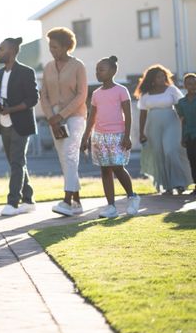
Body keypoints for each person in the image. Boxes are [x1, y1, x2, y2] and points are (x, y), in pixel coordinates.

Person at [80, 56, 140, 218]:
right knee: (105, 170)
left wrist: (127, 136)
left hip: (117, 135)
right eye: (97, 70)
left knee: (118, 168)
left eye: (102, 69)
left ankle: (132, 197)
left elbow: (128, 116)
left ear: (113, 71)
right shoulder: (96, 94)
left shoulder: (121, 90)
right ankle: (111, 207)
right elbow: (91, 117)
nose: (98, 73)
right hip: (99, 137)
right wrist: (86, 137)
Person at [39, 27, 88, 217]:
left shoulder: (78, 66)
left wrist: (62, 115)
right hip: (54, 119)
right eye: (50, 47)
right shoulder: (48, 67)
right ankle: (77, 202)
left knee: (70, 155)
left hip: (75, 117)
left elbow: (82, 95)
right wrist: (51, 116)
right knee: (65, 159)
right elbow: (43, 95)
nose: (52, 50)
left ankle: (67, 201)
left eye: (56, 47)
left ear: (67, 46)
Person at [0, 37, 39, 217]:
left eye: (1, 49)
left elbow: (33, 99)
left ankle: (12, 202)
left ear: (11, 51)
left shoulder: (26, 72)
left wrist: (11, 109)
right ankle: (28, 199)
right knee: (15, 162)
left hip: (20, 123)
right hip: (3, 124)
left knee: (17, 161)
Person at [136, 64, 191, 194]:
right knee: (158, 154)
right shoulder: (145, 94)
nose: (162, 79)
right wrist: (141, 132)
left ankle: (180, 183)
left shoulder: (171, 90)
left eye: (163, 76)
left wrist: (186, 124)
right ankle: (167, 185)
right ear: (152, 79)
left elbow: (181, 107)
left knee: (171, 151)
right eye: (158, 77)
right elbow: (143, 114)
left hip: (172, 122)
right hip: (153, 125)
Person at [176, 73, 196, 195]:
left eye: (195, 83)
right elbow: (182, 121)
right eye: (190, 84)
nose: (193, 86)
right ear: (185, 86)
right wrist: (182, 137)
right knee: (192, 161)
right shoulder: (181, 102)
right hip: (189, 136)